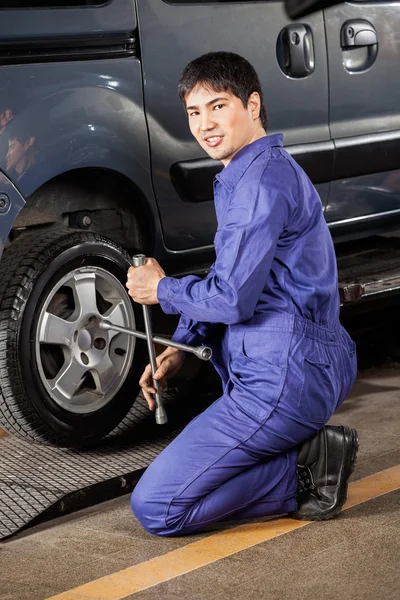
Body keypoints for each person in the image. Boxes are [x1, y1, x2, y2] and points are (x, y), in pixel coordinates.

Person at [126, 52, 358, 536]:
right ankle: (301, 457)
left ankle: (306, 467)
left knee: (158, 507)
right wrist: (182, 347)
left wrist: (160, 288)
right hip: (297, 367)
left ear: (253, 105)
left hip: (283, 377)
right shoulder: (254, 173)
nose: (205, 124)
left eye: (218, 106)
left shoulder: (258, 181)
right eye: (194, 112)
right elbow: (237, 273)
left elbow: (232, 298)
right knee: (187, 487)